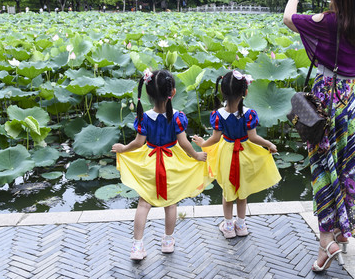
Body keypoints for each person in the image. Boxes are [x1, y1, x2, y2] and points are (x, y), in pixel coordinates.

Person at [283, 0, 355, 272]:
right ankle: (343, 232)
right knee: (351, 165)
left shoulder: (326, 22)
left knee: (325, 169)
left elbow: (289, 19)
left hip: (328, 100)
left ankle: (326, 241)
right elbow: (349, 13)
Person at [112, 69, 211, 261]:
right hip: (171, 163)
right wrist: (196, 155)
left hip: (149, 162)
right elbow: (183, 143)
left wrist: (123, 148)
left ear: (148, 94)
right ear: (172, 93)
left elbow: (138, 143)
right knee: (171, 203)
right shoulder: (177, 117)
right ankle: (167, 241)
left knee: (143, 203)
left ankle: (137, 245)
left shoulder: (144, 117)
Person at [192, 70, 281, 239]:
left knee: (228, 193)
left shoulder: (218, 115)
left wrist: (202, 144)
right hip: (245, 154)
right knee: (242, 192)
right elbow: (253, 137)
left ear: (222, 92)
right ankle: (241, 226)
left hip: (227, 154)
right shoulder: (249, 114)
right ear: (245, 92)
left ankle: (228, 227)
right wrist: (269, 144)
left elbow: (215, 138)